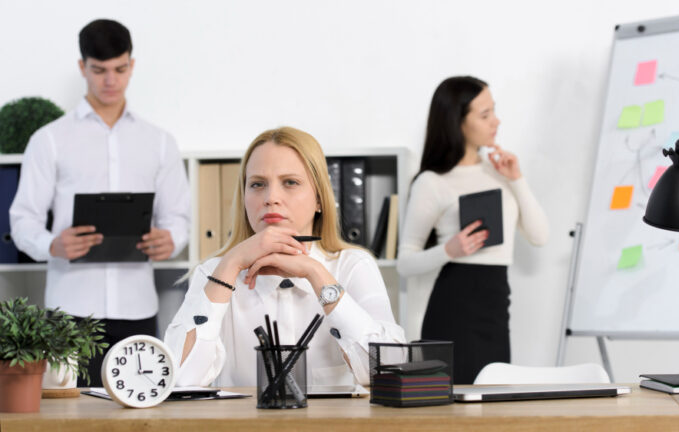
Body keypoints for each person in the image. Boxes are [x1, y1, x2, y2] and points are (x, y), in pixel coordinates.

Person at [9, 19, 190, 386]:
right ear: (82, 67)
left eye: (120, 69)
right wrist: (52, 244)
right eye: (100, 70)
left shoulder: (159, 142)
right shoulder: (50, 140)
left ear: (132, 65)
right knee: (65, 416)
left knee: (140, 413)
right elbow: (23, 218)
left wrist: (171, 239)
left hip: (138, 308)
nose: (111, 80)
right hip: (68, 311)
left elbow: (179, 219)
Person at [165, 127, 405, 387]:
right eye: (257, 184)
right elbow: (177, 380)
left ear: (319, 200)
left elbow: (387, 371)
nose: (271, 198)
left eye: (290, 182)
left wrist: (317, 275)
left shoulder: (353, 266)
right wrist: (230, 265)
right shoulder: (213, 271)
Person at [396, 76, 549, 384]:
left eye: (494, 110)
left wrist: (516, 178)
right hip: (453, 306)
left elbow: (539, 235)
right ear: (458, 122)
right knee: (451, 414)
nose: (496, 121)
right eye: (485, 114)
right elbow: (404, 262)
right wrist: (449, 250)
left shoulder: (501, 171)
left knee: (493, 407)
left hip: (495, 304)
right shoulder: (433, 181)